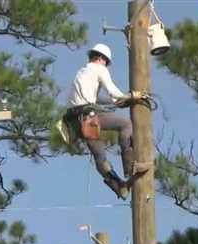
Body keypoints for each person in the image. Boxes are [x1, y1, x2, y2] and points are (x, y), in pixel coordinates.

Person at [62, 43, 146, 200]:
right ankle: (130, 167)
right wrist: (132, 96)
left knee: (100, 157)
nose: (106, 65)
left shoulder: (81, 73)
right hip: (88, 117)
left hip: (75, 123)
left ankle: (119, 186)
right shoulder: (99, 69)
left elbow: (96, 98)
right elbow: (113, 92)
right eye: (106, 62)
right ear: (101, 58)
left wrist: (116, 102)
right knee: (126, 124)